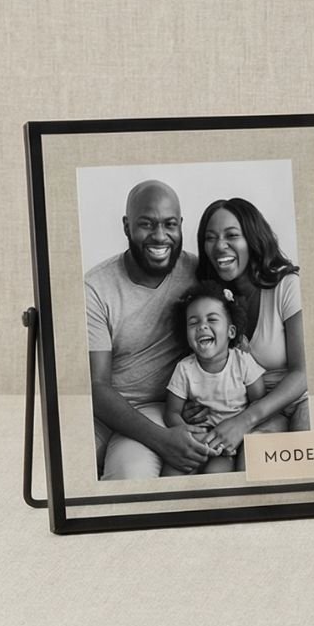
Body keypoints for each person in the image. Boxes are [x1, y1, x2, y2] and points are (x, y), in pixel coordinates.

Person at [85, 179, 213, 480]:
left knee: (128, 479)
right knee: (64, 471)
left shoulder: (197, 273)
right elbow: (97, 386)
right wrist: (161, 440)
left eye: (170, 224)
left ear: (181, 225)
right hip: (105, 412)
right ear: (127, 226)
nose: (160, 236)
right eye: (146, 224)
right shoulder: (96, 288)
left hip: (162, 407)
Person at [196, 198, 310, 447]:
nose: (219, 246)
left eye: (231, 235)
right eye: (210, 238)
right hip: (253, 408)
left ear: (252, 239)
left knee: (307, 460)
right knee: (252, 462)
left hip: (302, 400)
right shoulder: (213, 303)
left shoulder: (287, 286)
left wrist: (245, 421)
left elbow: (303, 374)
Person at [163, 285, 268, 474]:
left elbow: (259, 400)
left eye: (212, 319)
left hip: (233, 442)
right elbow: (172, 412)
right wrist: (191, 433)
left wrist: (240, 435)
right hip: (199, 438)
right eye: (193, 322)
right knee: (171, 472)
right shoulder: (184, 369)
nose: (202, 326)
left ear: (231, 332)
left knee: (215, 473)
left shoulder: (242, 362)